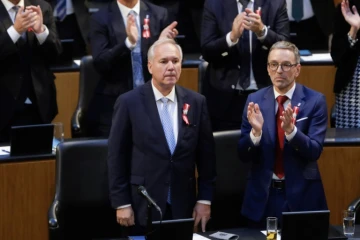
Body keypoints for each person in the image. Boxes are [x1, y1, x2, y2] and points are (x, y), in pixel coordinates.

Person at [107, 38, 216, 235]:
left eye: (175, 61)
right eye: (164, 61)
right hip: (143, 204)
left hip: (184, 204)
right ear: (150, 66)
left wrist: (204, 199)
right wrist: (121, 202)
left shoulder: (196, 102)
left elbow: (207, 158)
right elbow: (116, 157)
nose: (171, 67)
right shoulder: (128, 103)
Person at [238, 41, 328, 227]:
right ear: (268, 69)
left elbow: (314, 151)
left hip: (302, 197)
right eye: (274, 64)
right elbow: (243, 154)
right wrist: (256, 133)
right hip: (263, 197)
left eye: (286, 65)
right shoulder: (254, 100)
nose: (279, 70)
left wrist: (292, 132)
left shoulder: (315, 101)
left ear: (297, 69)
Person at [86, 0, 178, 137]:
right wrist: (128, 44)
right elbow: (100, 63)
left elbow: (172, 64)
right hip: (114, 103)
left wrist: (161, 45)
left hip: (153, 101)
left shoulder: (159, 14)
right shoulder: (100, 18)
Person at [200, 0, 289, 131]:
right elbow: (206, 50)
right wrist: (231, 37)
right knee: (224, 149)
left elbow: (286, 50)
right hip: (225, 100)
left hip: (265, 96)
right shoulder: (214, 4)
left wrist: (263, 32)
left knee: (266, 149)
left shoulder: (276, 3)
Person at [0, 0, 62, 143]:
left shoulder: (42, 7)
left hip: (39, 104)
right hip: (4, 107)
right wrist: (15, 31)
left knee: (40, 161)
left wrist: (41, 32)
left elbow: (56, 54)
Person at [331, 0, 360, 128]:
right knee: (348, 143)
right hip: (352, 91)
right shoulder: (346, 8)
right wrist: (354, 30)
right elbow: (336, 56)